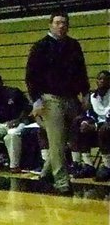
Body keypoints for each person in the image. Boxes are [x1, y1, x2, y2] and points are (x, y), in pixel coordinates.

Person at [25, 11, 90, 194]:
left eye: (64, 23)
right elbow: (31, 76)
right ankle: (62, 182)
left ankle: (45, 174)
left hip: (71, 98)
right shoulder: (40, 47)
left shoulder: (74, 45)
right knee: (56, 141)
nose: (61, 26)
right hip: (50, 99)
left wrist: (85, 94)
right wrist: (36, 100)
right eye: (57, 22)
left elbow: (81, 71)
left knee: (65, 141)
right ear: (50, 25)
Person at [69, 70, 110, 181]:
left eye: (105, 79)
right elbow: (90, 114)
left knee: (104, 128)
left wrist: (95, 126)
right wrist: (86, 123)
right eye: (100, 79)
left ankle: (107, 165)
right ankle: (85, 164)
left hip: (106, 128)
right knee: (78, 123)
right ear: (96, 81)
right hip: (98, 127)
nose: (102, 81)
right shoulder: (92, 97)